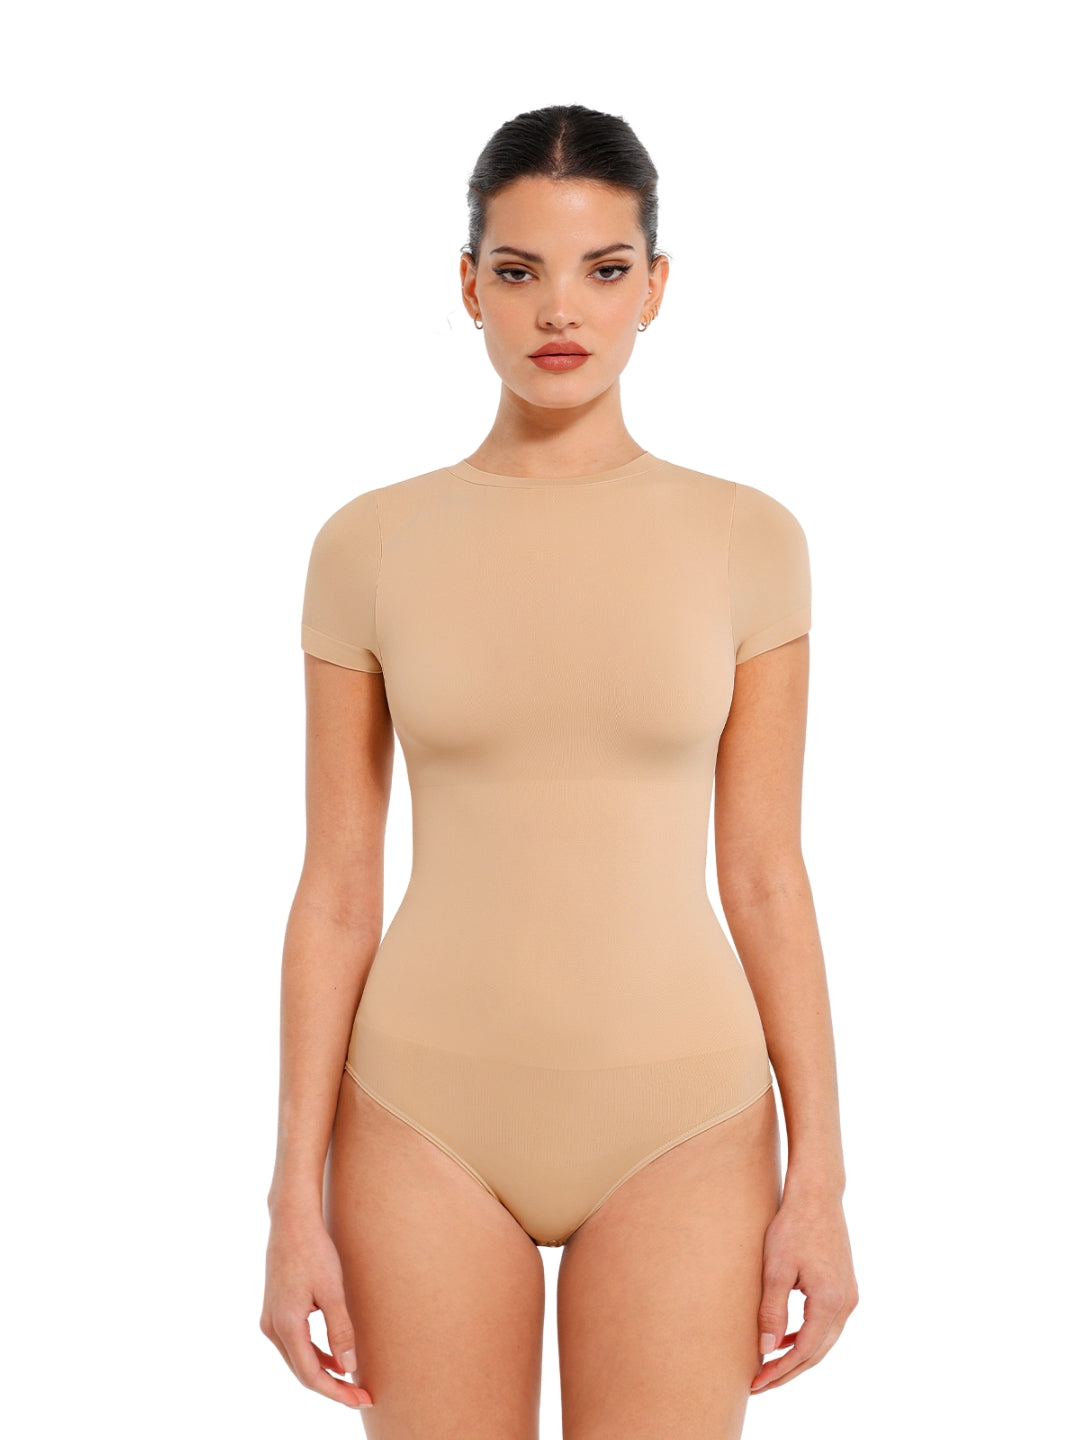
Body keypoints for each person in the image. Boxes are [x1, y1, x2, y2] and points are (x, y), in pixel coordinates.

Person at [260, 102, 858, 1439]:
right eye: (520, 270)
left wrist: (821, 1176)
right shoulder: (368, 545)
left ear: (657, 286)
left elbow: (768, 875)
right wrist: (291, 1195)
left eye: (603, 268)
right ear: (470, 286)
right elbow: (337, 890)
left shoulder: (749, 538)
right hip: (419, 1110)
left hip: (685, 1114)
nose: (560, 310)